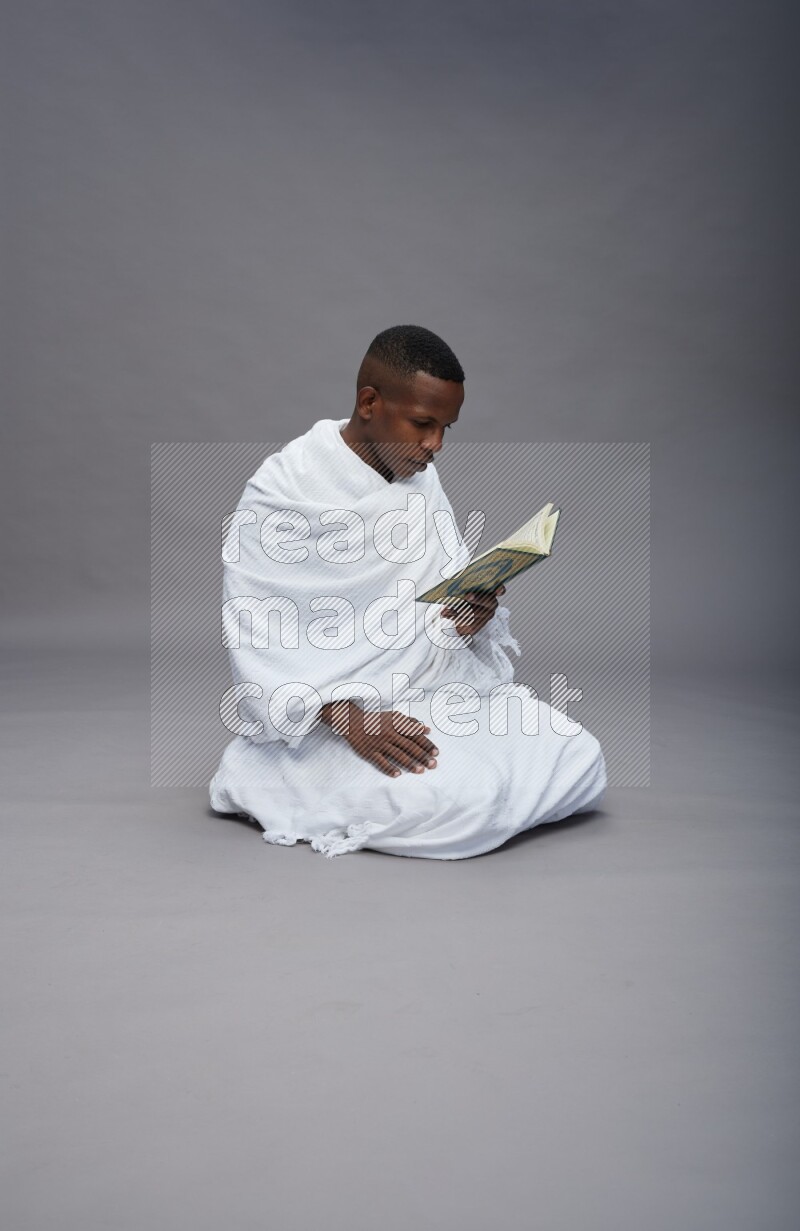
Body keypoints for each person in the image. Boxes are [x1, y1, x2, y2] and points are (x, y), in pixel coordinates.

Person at [209, 325, 607, 858]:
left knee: (578, 754)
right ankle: (265, 771)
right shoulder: (283, 490)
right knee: (463, 802)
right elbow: (259, 636)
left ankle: (458, 772)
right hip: (329, 716)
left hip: (429, 690)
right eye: (422, 424)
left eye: (445, 429)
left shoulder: (417, 476)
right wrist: (352, 719)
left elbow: (428, 610)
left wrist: (467, 619)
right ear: (369, 403)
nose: (435, 446)